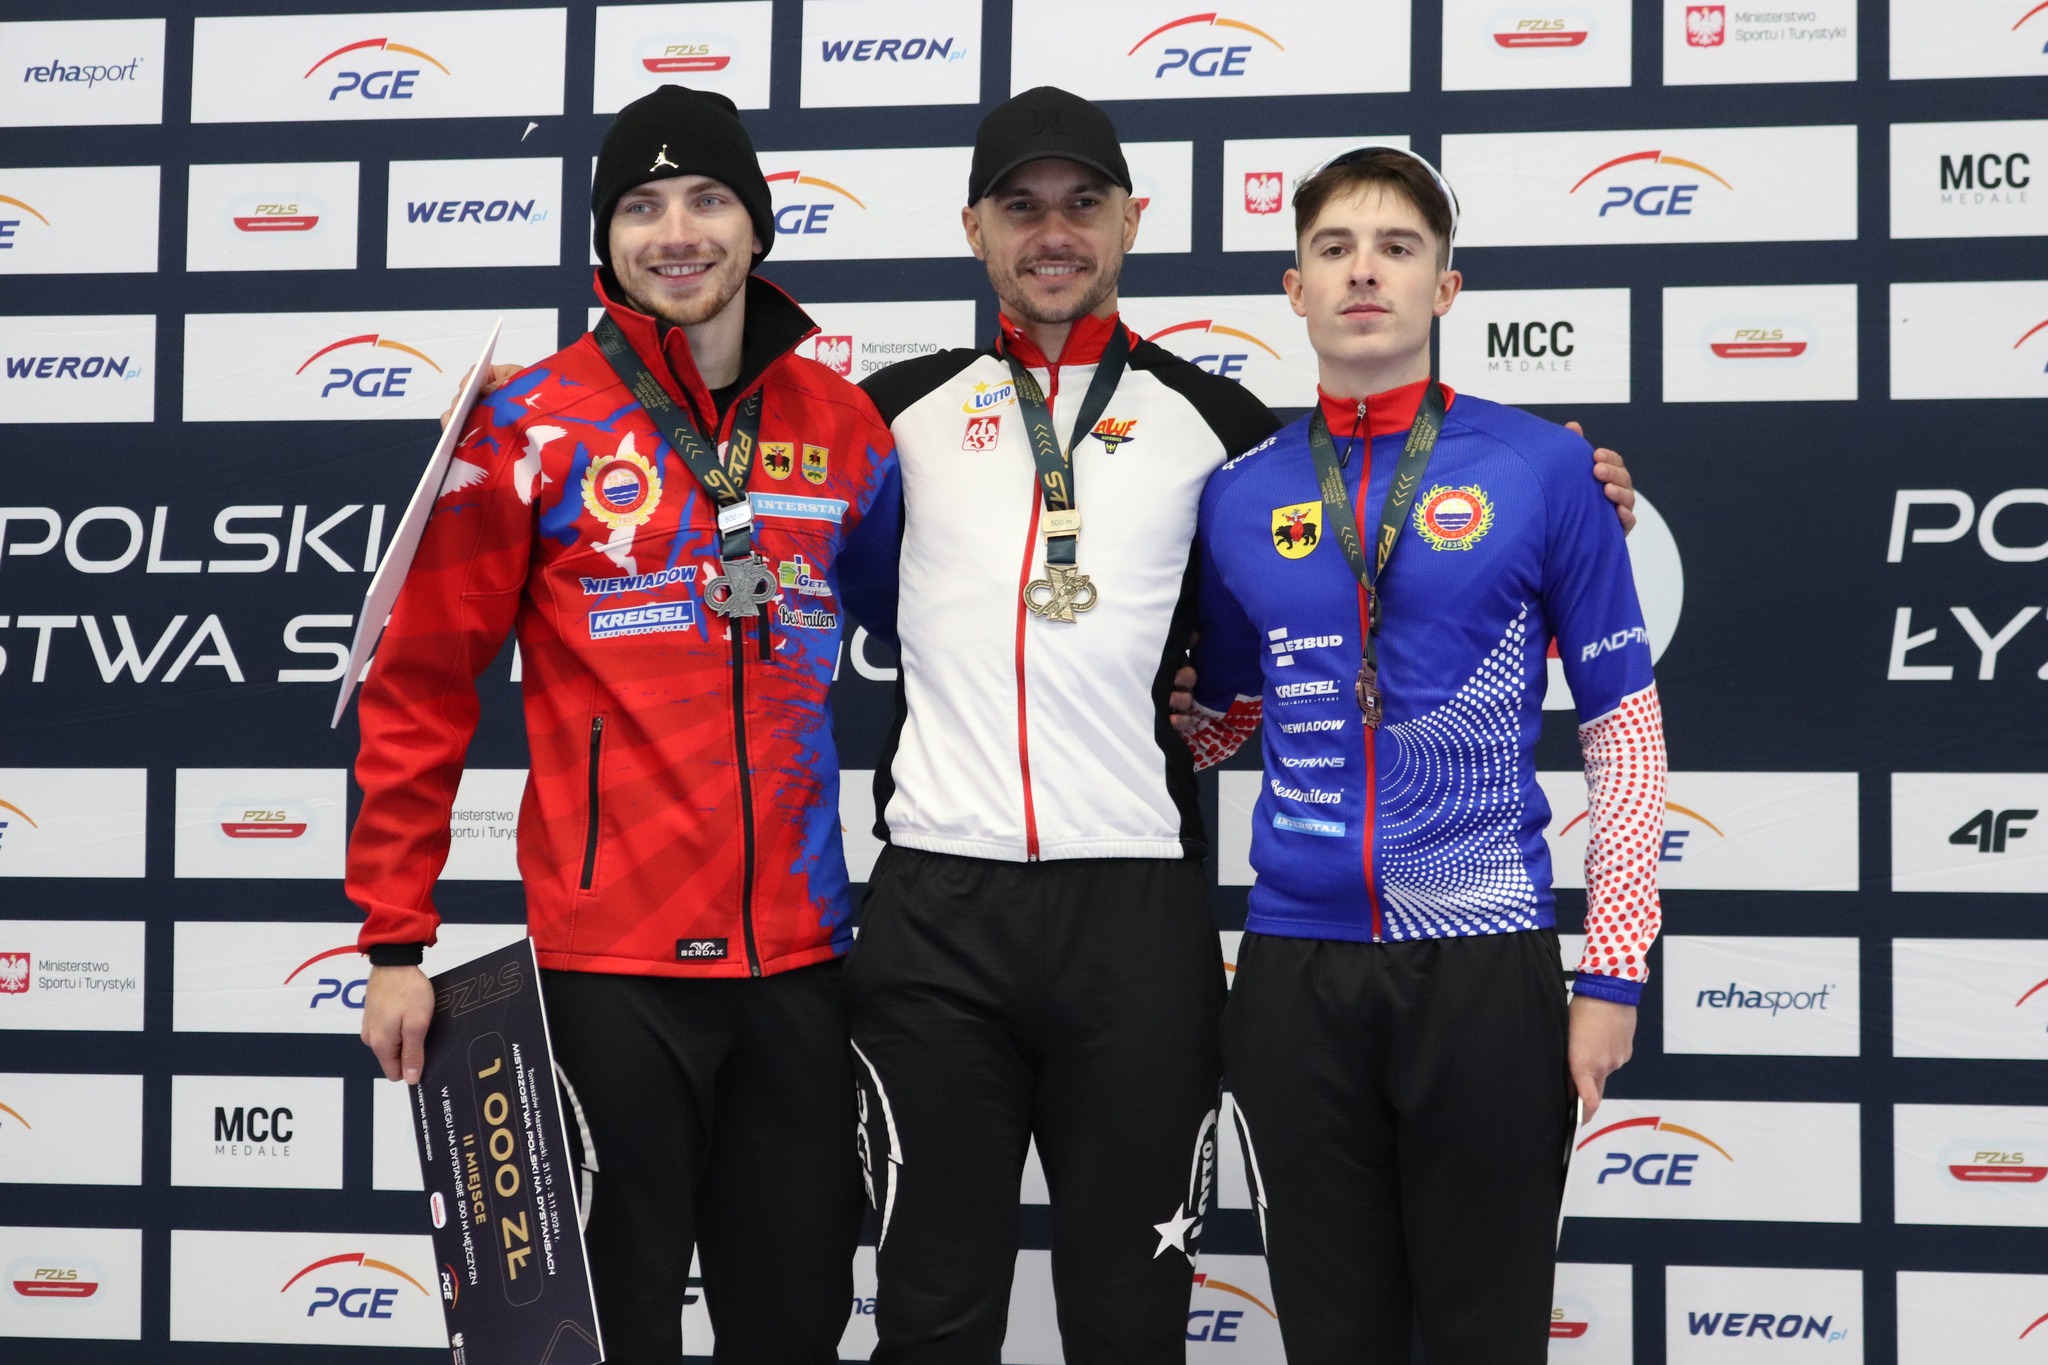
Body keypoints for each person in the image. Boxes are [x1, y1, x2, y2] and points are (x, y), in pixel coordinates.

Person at [838, 91, 1639, 1364]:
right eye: (1021, 207)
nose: (1053, 232)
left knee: (1139, 1316)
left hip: (1159, 912)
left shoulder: (1223, 434)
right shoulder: (887, 416)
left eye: (1083, 203)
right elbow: (748, 498)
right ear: (974, 229)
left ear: (1131, 222)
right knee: (932, 1311)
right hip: (951, 907)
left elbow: (1277, 644)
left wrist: (1584, 493)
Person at [348, 85, 893, 1363]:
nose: (677, 233)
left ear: (756, 226)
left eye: (707, 200)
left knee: (794, 1328)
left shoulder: (842, 425)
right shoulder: (525, 425)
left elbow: (948, 626)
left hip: (800, 964)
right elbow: (420, 687)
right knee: (606, 1330)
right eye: (641, 207)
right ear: (604, 239)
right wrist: (394, 939)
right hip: (608, 974)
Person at [1184, 146, 1665, 1364]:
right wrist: (1177, 718)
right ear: (1293, 288)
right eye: (1334, 248)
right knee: (1329, 1337)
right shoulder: (1237, 494)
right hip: (1291, 974)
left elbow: (1624, 734)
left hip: (1482, 961)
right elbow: (1227, 719)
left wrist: (1611, 977)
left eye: (1396, 248)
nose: (1364, 272)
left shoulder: (1542, 468)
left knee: (1482, 1335)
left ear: (1443, 288)